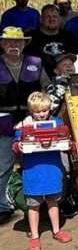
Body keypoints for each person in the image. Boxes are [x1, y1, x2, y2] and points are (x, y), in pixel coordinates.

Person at [11, 92, 73, 250]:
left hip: (52, 169)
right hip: (33, 171)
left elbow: (66, 140)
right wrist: (18, 146)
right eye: (38, 111)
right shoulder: (24, 125)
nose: (42, 114)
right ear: (31, 111)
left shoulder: (57, 122)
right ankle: (34, 236)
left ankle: (56, 230)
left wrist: (69, 145)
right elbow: (16, 144)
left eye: (45, 110)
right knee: (33, 205)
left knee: (53, 202)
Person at [0, 27, 49, 223]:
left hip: (32, 122)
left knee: (37, 162)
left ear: (24, 44)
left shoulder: (35, 63)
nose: (13, 45)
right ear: (2, 44)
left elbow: (47, 87)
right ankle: (2, 204)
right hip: (4, 123)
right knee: (3, 165)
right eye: (9, 42)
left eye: (17, 42)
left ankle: (43, 201)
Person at [23, 4, 78, 78]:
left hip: (66, 79)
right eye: (48, 16)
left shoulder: (68, 36)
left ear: (60, 19)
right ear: (41, 19)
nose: (51, 19)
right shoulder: (30, 37)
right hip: (37, 78)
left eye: (54, 16)